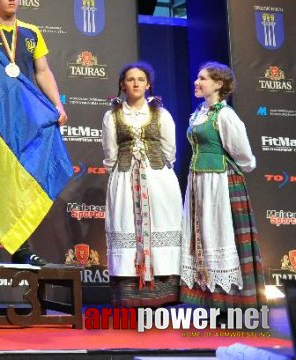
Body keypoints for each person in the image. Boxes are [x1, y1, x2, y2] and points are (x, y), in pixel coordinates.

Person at [0, 0, 67, 266]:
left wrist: (57, 104)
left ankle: (21, 247)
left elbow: (43, 71)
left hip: (25, 119)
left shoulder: (31, 33)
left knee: (22, 183)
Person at [180, 62, 265, 312]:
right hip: (198, 183)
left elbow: (245, 156)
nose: (197, 82)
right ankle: (207, 299)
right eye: (197, 77)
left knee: (220, 233)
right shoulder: (198, 114)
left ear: (218, 84)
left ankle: (231, 304)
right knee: (202, 236)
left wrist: (228, 171)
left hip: (220, 183)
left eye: (203, 78)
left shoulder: (225, 115)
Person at [101, 62, 182, 307]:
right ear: (122, 85)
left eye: (140, 79)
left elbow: (170, 150)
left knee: (161, 223)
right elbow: (110, 153)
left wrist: (152, 167)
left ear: (148, 85)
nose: (135, 83)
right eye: (130, 79)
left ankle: (164, 291)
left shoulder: (161, 113)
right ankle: (130, 295)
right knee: (126, 223)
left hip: (158, 180)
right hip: (125, 178)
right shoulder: (112, 115)